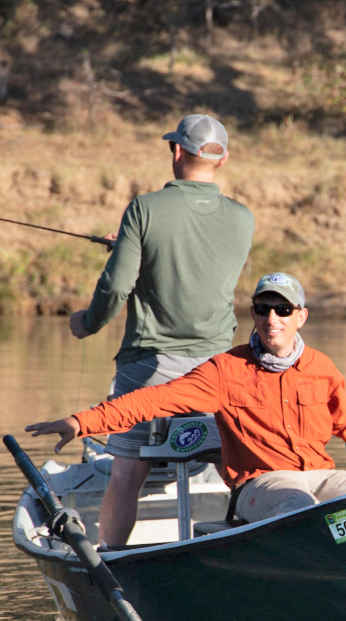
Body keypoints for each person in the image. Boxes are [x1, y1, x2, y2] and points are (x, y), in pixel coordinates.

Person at [28, 273, 346, 543]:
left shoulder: (321, 366)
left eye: (283, 310)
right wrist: (79, 422)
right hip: (261, 482)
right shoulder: (226, 369)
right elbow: (151, 400)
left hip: (321, 474)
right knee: (297, 507)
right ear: (252, 313)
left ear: (301, 317)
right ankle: (318, 578)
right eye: (263, 308)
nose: (272, 318)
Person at [67, 114, 255, 546]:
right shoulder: (243, 219)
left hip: (148, 367)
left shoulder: (144, 209)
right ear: (222, 160)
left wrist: (86, 323)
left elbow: (116, 286)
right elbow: (198, 265)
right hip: (217, 372)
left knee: (127, 471)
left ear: (176, 151)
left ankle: (110, 562)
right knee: (234, 464)